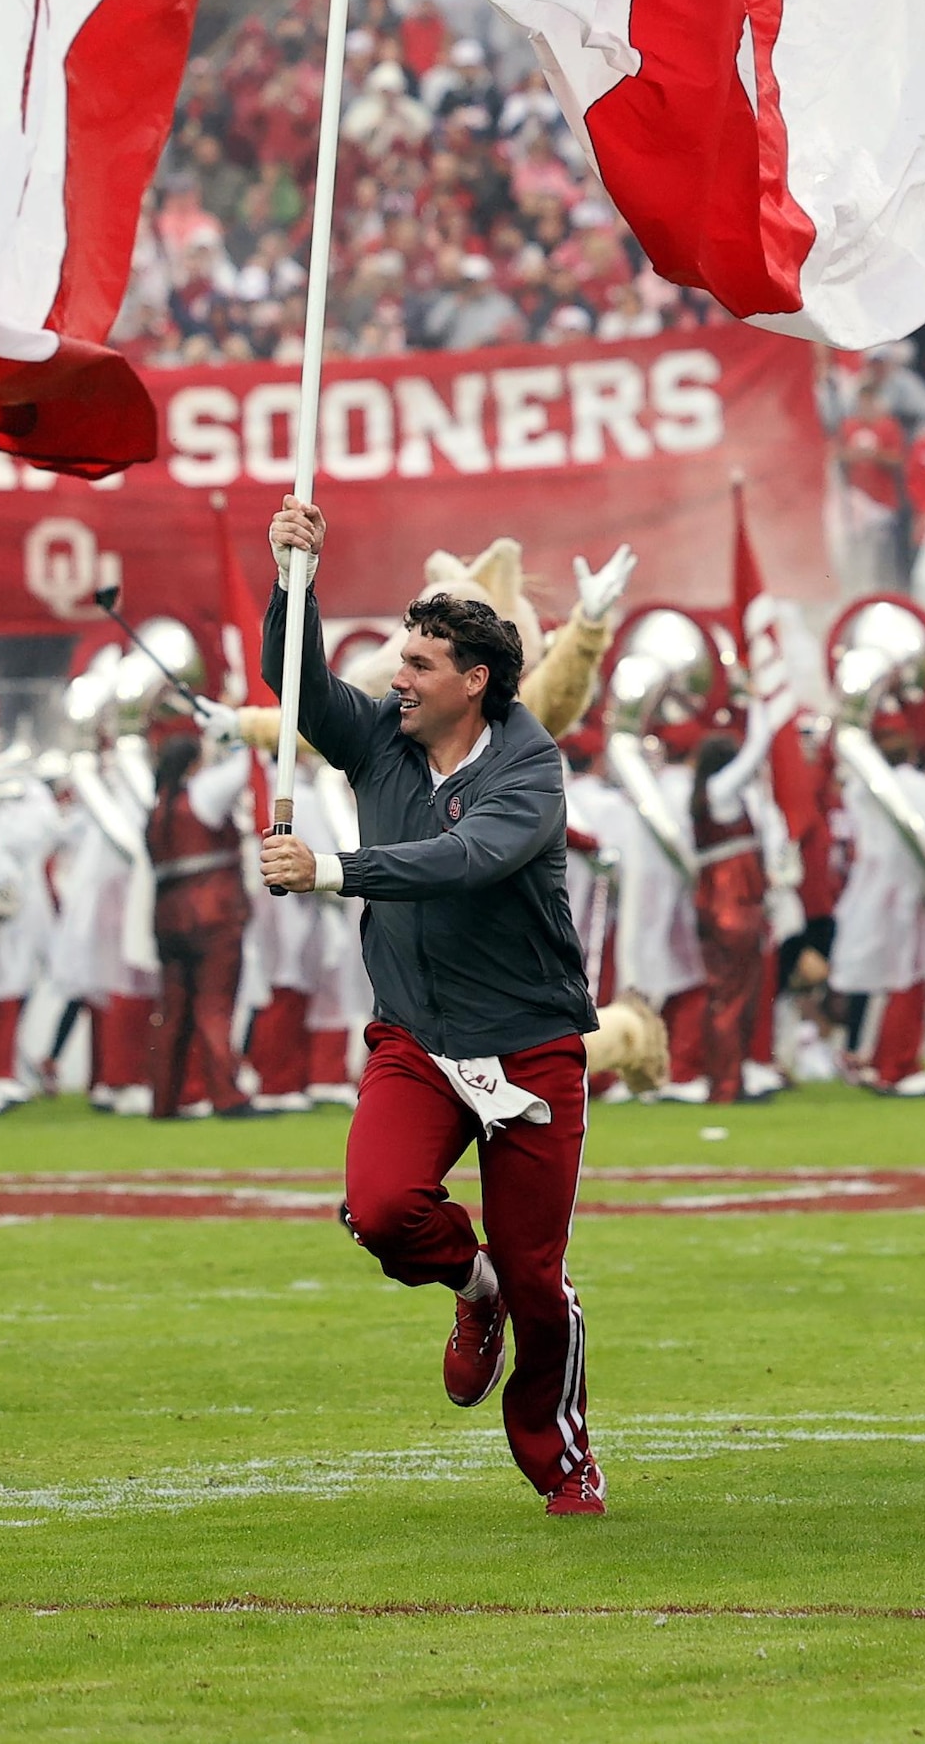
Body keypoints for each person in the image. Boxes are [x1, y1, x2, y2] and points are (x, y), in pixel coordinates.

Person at [255, 494, 604, 1512]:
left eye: (416, 665)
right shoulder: (380, 741)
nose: (393, 678)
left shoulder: (531, 766)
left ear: (475, 681)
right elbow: (299, 687)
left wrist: (329, 866)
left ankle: (561, 1455)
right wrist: (294, 577)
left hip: (530, 1048)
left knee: (543, 1277)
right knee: (378, 1207)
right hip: (417, 1037)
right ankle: (471, 1288)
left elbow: (464, 859)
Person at [143, 713, 253, 1117]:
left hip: (168, 920)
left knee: (173, 1013)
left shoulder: (159, 805)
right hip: (212, 916)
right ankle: (226, 1094)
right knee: (214, 1006)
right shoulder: (204, 793)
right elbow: (246, 767)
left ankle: (164, 1100)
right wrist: (240, 726)